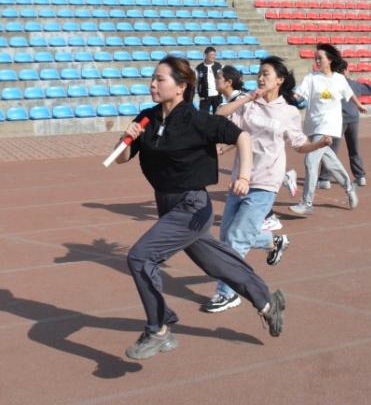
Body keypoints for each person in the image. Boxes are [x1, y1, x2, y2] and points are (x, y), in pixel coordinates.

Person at [115, 56, 285, 360]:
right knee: (218, 264)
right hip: (167, 205)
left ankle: (159, 329)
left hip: (192, 206)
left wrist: (244, 176)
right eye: (152, 79)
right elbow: (120, 159)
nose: (152, 84)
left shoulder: (197, 120)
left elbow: (241, 136)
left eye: (160, 79)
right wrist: (127, 139)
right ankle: (268, 302)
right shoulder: (147, 118)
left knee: (140, 257)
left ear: (181, 87)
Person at [201, 56, 332, 313]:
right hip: (241, 178)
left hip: (266, 181)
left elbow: (299, 145)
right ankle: (273, 243)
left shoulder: (288, 112)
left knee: (237, 238)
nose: (261, 78)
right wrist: (247, 99)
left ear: (280, 80)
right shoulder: (249, 105)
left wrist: (320, 144)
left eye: (266, 74)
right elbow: (221, 118)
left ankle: (226, 293)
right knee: (226, 236)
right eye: (259, 74)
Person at [216, 65, 297, 232]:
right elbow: (241, 134)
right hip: (253, 160)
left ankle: (283, 182)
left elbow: (246, 128)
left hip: (261, 164)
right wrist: (224, 148)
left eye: (219, 78)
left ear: (228, 82)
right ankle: (271, 238)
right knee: (237, 227)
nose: (216, 80)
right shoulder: (237, 100)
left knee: (238, 230)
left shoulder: (243, 99)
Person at [289, 43, 365, 215]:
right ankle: (349, 188)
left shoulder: (339, 79)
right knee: (330, 160)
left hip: (328, 125)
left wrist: (359, 105)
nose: (316, 60)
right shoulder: (311, 78)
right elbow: (298, 94)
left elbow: (349, 93)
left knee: (311, 161)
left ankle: (307, 202)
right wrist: (288, 97)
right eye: (315, 58)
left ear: (329, 60)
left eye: (320, 58)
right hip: (313, 125)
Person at [317, 66, 371, 189]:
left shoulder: (331, 85)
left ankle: (324, 179)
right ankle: (360, 177)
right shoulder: (355, 84)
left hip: (337, 121)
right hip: (353, 119)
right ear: (344, 71)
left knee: (331, 150)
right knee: (354, 149)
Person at [196, 46, 223, 113]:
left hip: (217, 96)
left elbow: (222, 79)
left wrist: (221, 92)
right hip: (205, 97)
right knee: (203, 116)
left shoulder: (219, 66)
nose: (213, 57)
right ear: (206, 55)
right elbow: (197, 83)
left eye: (214, 55)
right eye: (212, 55)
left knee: (218, 116)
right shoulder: (199, 68)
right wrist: (200, 95)